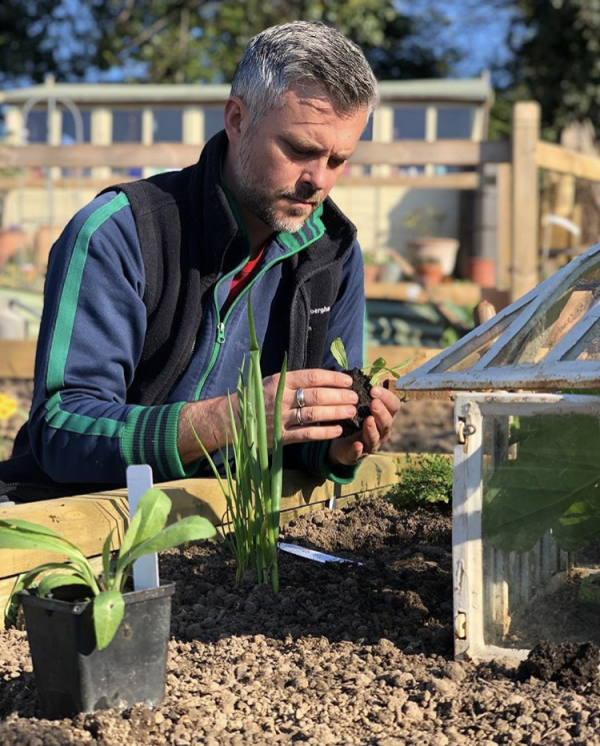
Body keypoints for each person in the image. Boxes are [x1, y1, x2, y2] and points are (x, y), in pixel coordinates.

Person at [0, 21, 401, 502]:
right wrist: (237, 416)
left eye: (338, 160)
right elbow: (64, 429)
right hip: (83, 526)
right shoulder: (123, 231)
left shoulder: (332, 254)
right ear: (236, 119)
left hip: (231, 534)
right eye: (300, 150)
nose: (319, 180)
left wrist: (339, 445)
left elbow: (306, 445)